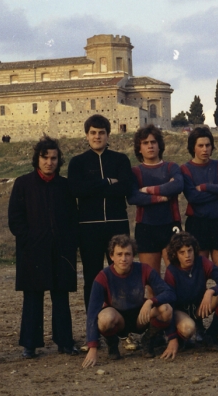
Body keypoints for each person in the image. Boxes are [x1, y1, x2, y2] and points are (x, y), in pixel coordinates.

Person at [8, 136, 79, 359]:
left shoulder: (65, 186)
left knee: (61, 297)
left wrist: (68, 242)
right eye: (45, 157)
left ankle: (65, 341)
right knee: (32, 298)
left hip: (60, 250)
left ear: (59, 160)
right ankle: (30, 344)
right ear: (37, 158)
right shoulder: (23, 183)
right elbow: (15, 218)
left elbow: (72, 217)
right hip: (32, 250)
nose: (49, 162)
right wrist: (29, 240)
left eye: (54, 158)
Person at [68, 114, 132, 310]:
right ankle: (93, 327)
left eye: (101, 133)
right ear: (87, 135)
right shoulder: (77, 162)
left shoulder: (120, 159)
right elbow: (76, 190)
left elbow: (126, 188)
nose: (97, 137)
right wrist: (106, 182)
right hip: (89, 228)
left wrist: (91, 188)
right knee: (92, 278)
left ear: (108, 135)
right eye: (93, 133)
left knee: (121, 276)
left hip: (117, 225)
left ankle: (122, 329)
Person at [82, 235, 177, 367]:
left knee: (166, 309)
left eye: (127, 254)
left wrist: (151, 301)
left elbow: (169, 293)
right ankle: (112, 343)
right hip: (118, 320)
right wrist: (93, 347)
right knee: (104, 318)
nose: (123, 258)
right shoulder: (103, 276)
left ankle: (148, 341)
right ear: (111, 256)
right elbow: (92, 313)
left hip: (140, 317)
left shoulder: (144, 269)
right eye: (119, 254)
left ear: (133, 256)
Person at [164, 232, 218, 351]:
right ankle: (181, 338)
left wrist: (211, 291)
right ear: (175, 254)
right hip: (181, 310)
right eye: (182, 252)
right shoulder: (171, 271)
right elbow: (169, 303)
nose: (187, 255)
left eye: (190, 250)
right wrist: (172, 337)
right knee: (188, 329)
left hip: (200, 307)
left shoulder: (201, 262)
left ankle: (212, 334)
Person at [127, 125, 184, 273]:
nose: (150, 146)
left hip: (171, 225)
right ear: (139, 148)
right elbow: (133, 197)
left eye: (153, 142)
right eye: (145, 143)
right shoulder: (135, 171)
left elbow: (177, 186)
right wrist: (160, 198)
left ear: (160, 145)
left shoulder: (171, 167)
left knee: (177, 276)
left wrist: (147, 190)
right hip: (146, 227)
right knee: (152, 280)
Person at [180, 127, 218, 266]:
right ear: (193, 147)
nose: (205, 149)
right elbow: (193, 197)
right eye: (201, 145)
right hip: (197, 223)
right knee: (198, 270)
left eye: (208, 145)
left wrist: (206, 187)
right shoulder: (185, 169)